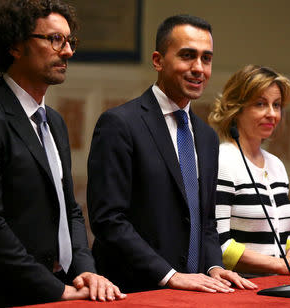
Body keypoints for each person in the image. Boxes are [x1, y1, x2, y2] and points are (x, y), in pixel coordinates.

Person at [0, 1, 125, 307]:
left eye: (70, 41)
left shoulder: (53, 121)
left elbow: (70, 210)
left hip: (55, 291)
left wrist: (85, 271)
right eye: (55, 39)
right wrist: (57, 290)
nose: (67, 52)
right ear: (15, 46)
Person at [87, 15, 257, 294]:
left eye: (206, 58)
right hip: (132, 290)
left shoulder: (206, 137)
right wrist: (169, 275)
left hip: (195, 291)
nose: (198, 68)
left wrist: (215, 267)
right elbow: (108, 220)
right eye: (187, 56)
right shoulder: (120, 124)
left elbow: (207, 222)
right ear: (158, 60)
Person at [208, 64, 290, 277]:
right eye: (260, 104)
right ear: (236, 108)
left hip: (275, 286)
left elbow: (279, 233)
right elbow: (219, 246)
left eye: (276, 105)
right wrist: (281, 265)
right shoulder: (223, 161)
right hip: (238, 289)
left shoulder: (276, 165)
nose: (272, 114)